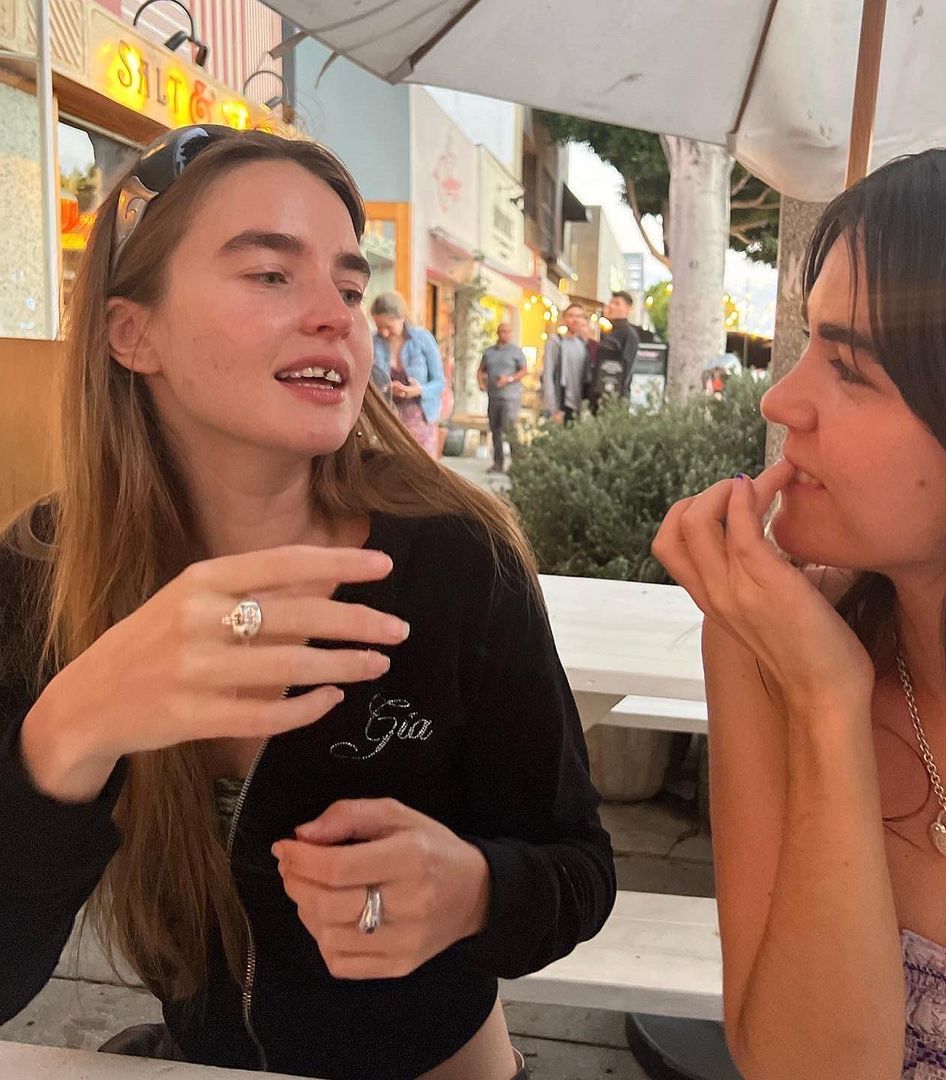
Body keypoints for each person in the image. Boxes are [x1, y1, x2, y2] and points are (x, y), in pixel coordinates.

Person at [0, 125, 615, 1080]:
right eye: (270, 275)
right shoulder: (44, 571)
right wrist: (72, 728)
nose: (336, 316)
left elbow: (578, 869)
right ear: (133, 333)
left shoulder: (455, 556)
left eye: (349, 287)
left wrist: (475, 890)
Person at [654, 141, 946, 1080]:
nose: (781, 400)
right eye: (810, 344)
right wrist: (824, 700)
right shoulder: (768, 646)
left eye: (850, 367)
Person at [371, 291, 445, 459]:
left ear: (401, 317)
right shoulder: (373, 342)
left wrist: (419, 390)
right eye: (379, 326)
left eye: (388, 326)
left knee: (423, 468)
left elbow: (439, 382)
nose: (383, 332)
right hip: (387, 418)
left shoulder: (422, 339)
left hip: (421, 419)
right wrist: (385, 388)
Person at [477, 322, 526, 474]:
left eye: (508, 331)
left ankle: (517, 464)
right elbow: (481, 370)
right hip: (493, 397)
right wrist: (481, 383)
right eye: (502, 331)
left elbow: (524, 371)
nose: (505, 334)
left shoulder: (516, 352)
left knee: (509, 429)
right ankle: (498, 463)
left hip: (510, 398)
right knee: (495, 430)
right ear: (498, 333)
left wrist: (509, 379)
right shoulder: (489, 352)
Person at [540, 303, 590, 426]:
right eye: (571, 316)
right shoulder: (555, 342)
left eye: (579, 316)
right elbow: (548, 374)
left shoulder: (582, 344)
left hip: (578, 407)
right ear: (564, 319)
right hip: (561, 406)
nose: (575, 319)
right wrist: (553, 409)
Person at [589, 290, 638, 411]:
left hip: (613, 401)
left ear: (628, 309)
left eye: (617, 304)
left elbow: (625, 367)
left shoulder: (628, 334)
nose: (611, 306)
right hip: (598, 396)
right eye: (611, 302)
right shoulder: (608, 331)